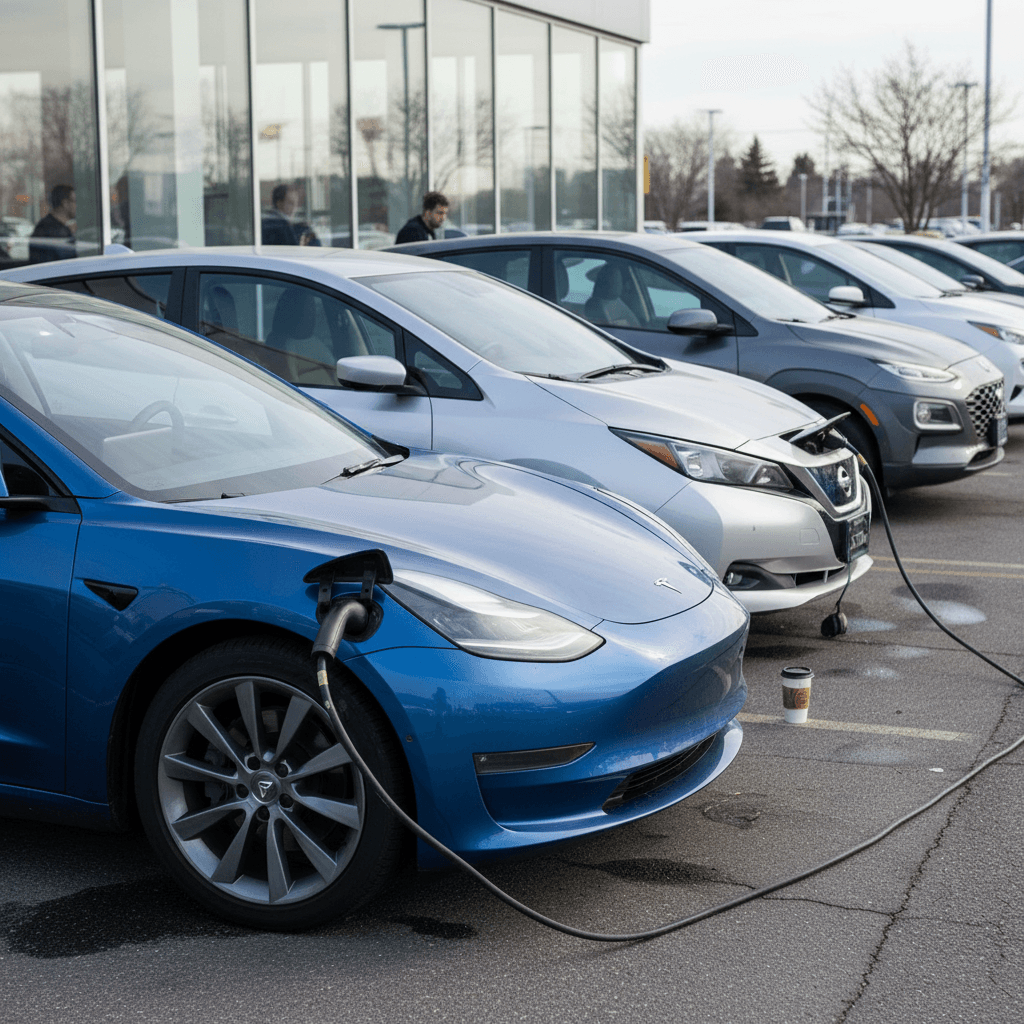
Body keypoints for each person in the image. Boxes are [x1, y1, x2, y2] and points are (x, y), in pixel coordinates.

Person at [29, 185, 76, 263]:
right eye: (75, 201)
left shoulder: (46, 227)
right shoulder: (53, 231)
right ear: (65, 203)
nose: (76, 206)